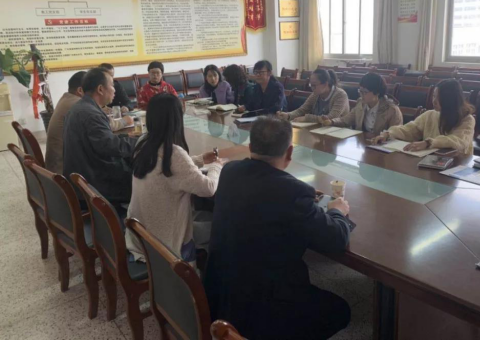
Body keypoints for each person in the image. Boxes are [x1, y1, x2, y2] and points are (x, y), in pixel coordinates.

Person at [204, 116, 351, 340]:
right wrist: (337, 211)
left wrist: (303, 201)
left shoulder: (229, 171)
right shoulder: (293, 192)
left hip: (219, 296)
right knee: (341, 310)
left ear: (250, 147)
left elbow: (263, 196)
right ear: (290, 152)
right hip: (264, 311)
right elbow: (337, 239)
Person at [125, 93, 223, 265]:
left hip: (142, 235)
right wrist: (217, 166)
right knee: (223, 228)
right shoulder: (175, 154)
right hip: (165, 245)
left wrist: (200, 159)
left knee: (203, 217)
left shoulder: (143, 142)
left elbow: (167, 170)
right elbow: (208, 188)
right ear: (176, 119)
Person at [63, 68, 137, 206]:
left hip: (83, 173)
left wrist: (126, 137)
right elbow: (111, 147)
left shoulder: (82, 106)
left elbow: (103, 139)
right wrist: (139, 142)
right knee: (146, 177)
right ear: (100, 89)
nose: (115, 90)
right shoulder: (91, 114)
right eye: (112, 86)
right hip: (94, 183)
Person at [372, 79, 476, 155]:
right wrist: (388, 134)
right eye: (434, 96)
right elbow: (410, 129)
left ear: (450, 99)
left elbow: (457, 141)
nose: (434, 101)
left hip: (457, 162)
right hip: (431, 159)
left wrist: (428, 143)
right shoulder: (430, 114)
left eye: (439, 98)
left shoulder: (467, 119)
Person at [321, 73, 402, 134]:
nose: (361, 95)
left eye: (365, 92)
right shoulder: (361, 103)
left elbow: (396, 134)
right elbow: (346, 120)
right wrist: (331, 122)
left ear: (377, 92)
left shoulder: (392, 110)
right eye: (360, 91)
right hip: (362, 144)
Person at [44, 71, 86, 174]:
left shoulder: (66, 99)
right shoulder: (77, 104)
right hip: (63, 172)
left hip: (56, 166)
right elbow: (105, 125)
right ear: (80, 90)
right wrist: (123, 121)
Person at [277, 69, 349, 122]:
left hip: (339, 132)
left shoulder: (340, 95)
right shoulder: (315, 94)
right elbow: (302, 110)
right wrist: (288, 115)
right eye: (311, 85)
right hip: (320, 129)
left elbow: (330, 118)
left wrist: (307, 118)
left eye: (314, 85)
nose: (312, 88)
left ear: (325, 84)